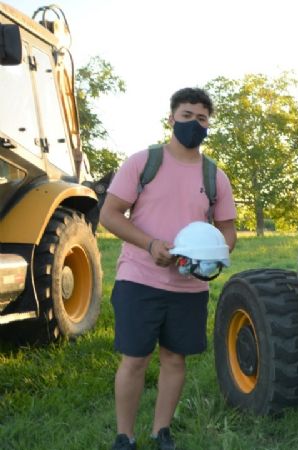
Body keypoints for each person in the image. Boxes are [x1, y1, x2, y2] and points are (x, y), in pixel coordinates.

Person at [100, 88, 237, 450]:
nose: (195, 124)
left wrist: (213, 255)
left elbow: (228, 228)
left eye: (202, 118)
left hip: (189, 286)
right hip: (139, 278)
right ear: (171, 118)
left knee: (175, 358)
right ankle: (124, 436)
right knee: (134, 359)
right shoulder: (143, 162)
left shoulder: (214, 176)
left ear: (210, 124)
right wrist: (149, 244)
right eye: (187, 115)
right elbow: (109, 215)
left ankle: (161, 431)